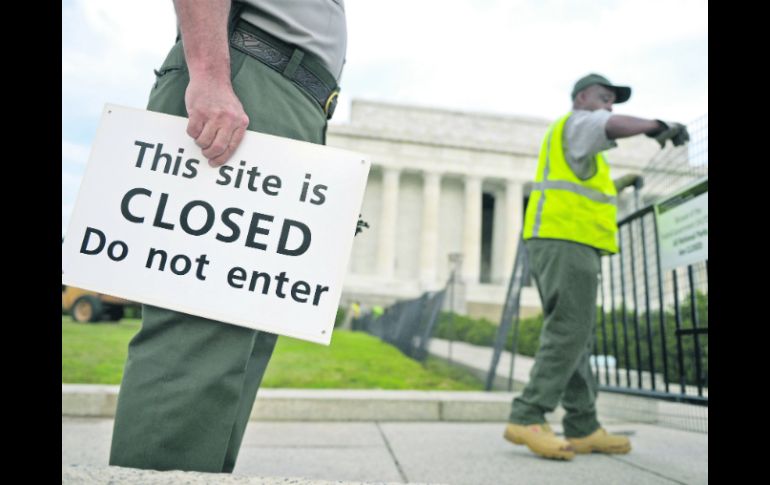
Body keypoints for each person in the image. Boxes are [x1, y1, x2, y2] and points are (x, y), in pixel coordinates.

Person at [109, 0, 347, 473]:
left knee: (237, 342)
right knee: (197, 334)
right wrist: (211, 74)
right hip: (247, 77)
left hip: (286, 93)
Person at [503, 73, 689, 460]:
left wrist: (618, 185)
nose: (609, 107)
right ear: (582, 97)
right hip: (567, 242)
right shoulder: (579, 122)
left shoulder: (577, 144)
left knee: (577, 336)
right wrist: (657, 126)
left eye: (613, 101)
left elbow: (583, 190)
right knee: (569, 329)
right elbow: (607, 124)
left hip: (565, 241)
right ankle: (528, 415)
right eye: (604, 98)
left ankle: (584, 425)